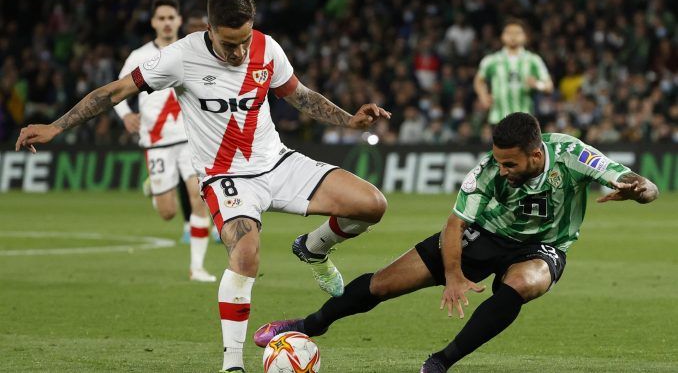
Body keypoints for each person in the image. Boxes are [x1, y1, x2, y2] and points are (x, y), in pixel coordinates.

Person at [15, 0, 390, 371]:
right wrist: (56, 126)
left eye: (245, 40)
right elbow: (114, 91)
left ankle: (314, 248)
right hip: (226, 177)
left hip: (276, 162)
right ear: (208, 30)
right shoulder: (180, 56)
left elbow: (300, 96)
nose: (239, 52)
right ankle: (233, 365)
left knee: (372, 204)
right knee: (246, 255)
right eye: (229, 44)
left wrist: (349, 120)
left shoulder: (267, 49)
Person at [253, 112, 659, 373]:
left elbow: (643, 185)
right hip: (483, 234)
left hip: (543, 245)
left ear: (536, 155)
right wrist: (453, 275)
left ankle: (441, 362)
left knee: (524, 283)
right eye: (498, 160)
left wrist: (640, 190)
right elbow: (455, 223)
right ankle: (308, 325)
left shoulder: (571, 154)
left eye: (510, 163)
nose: (501, 169)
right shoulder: (487, 170)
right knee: (382, 284)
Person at [113, 0, 216, 283]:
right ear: (153, 22)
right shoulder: (139, 56)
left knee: (199, 198)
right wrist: (125, 116)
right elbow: (117, 92)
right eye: (162, 18)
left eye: (172, 17)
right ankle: (155, 188)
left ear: (179, 21)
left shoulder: (192, 51)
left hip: (188, 140)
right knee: (168, 213)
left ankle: (197, 268)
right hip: (156, 143)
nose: (167, 23)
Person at [474, 19, 554, 125]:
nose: (513, 36)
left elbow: (549, 86)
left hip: (525, 119)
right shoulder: (491, 60)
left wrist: (538, 85)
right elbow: (479, 80)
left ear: (525, 36)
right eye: (509, 33)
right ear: (502, 36)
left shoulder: (533, 60)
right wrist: (483, 96)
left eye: (517, 33)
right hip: (498, 118)